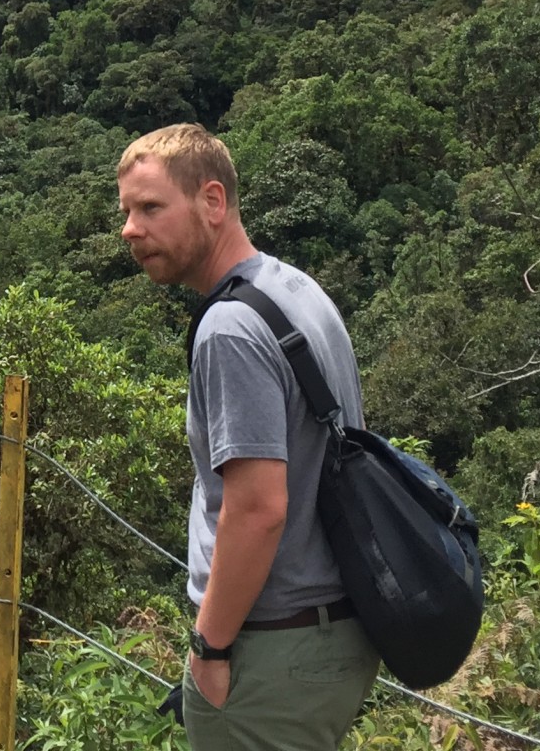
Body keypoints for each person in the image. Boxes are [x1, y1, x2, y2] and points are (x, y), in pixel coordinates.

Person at [116, 123, 379, 750]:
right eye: (126, 212)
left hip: (274, 641)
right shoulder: (291, 288)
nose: (129, 229)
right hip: (330, 627)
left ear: (212, 201)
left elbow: (258, 510)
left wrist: (209, 648)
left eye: (150, 208)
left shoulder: (230, 328)